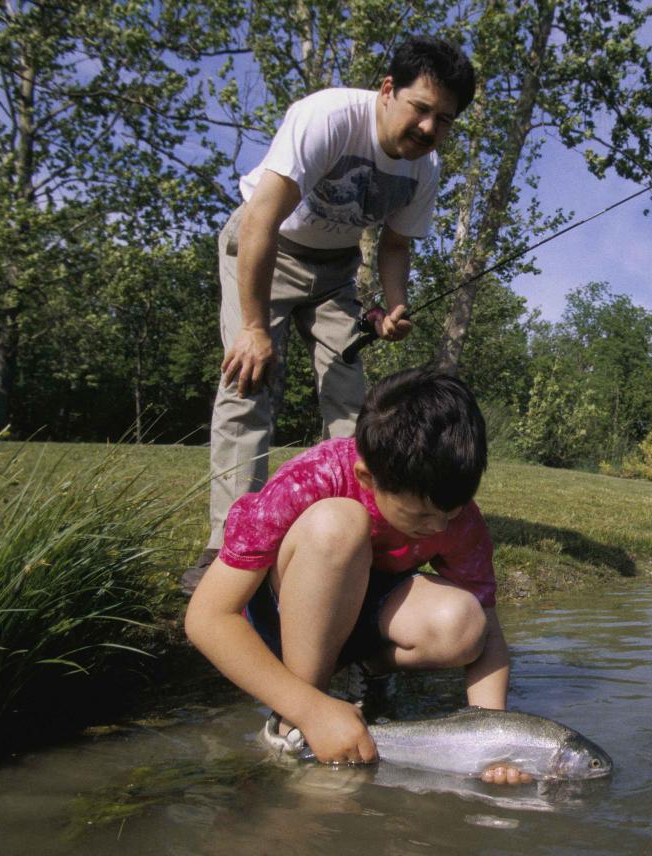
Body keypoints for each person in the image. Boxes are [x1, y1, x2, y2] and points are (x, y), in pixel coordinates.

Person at [183, 36, 477, 594]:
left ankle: (356, 538)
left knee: (354, 401)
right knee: (249, 385)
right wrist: (251, 330)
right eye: (420, 109)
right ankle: (228, 546)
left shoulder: (425, 169)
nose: (427, 129)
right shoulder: (326, 117)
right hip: (265, 252)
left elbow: (394, 245)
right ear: (388, 90)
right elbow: (260, 222)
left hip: (336, 273)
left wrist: (393, 306)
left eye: (444, 120)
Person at [185, 367, 530, 784]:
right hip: (283, 618)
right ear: (368, 476)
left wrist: (493, 741)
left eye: (451, 513)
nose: (440, 528)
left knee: (465, 621)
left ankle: (361, 672)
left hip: (360, 611)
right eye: (421, 515)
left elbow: (488, 636)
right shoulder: (315, 478)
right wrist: (309, 708)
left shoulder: (457, 518)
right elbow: (207, 617)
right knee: (338, 524)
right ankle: (292, 718)